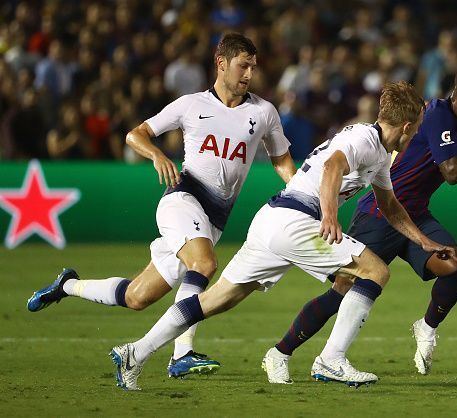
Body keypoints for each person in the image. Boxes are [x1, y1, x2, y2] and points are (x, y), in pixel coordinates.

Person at [109, 81, 457, 391]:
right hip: (295, 220)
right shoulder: (363, 140)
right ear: (408, 126)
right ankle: (331, 360)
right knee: (375, 271)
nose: (414, 137)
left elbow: (390, 206)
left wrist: (423, 241)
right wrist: (331, 215)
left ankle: (134, 353)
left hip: (272, 220)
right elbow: (334, 166)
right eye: (415, 131)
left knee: (216, 300)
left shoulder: (378, 151)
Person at [26, 33, 296, 378]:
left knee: (137, 297)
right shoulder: (191, 105)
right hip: (182, 199)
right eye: (243, 66)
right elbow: (135, 134)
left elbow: (281, 160)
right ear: (222, 63)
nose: (248, 74)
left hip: (212, 221)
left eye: (253, 68)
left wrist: (302, 189)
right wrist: (156, 154)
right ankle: (181, 353)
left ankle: (66, 285)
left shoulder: (264, 112)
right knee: (205, 263)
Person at [261, 65, 457, 384]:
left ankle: (425, 327)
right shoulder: (439, 113)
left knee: (454, 266)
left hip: (414, 216)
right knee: (343, 290)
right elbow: (451, 172)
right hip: (380, 215)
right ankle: (281, 353)